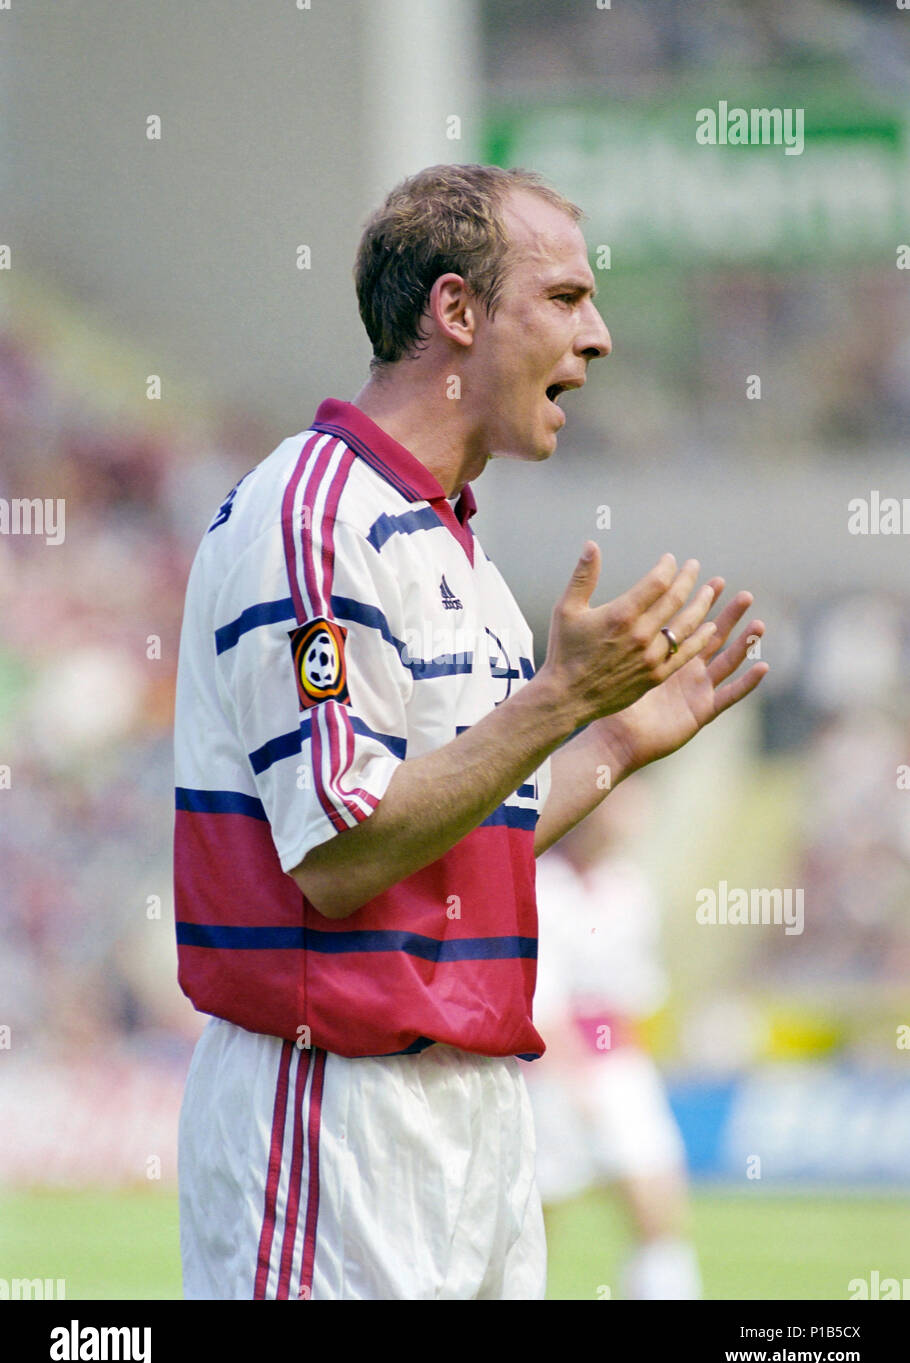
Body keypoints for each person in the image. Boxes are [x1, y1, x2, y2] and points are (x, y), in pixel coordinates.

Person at [173, 163, 768, 1300]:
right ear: (455, 312)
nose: (595, 340)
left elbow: (448, 850)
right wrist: (556, 701)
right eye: (563, 299)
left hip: (476, 1114)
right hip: (332, 1108)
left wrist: (610, 744)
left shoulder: (458, 555)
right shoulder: (317, 517)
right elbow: (344, 855)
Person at [526, 784, 702, 1300]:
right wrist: (573, 1079)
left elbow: (635, 997)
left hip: (617, 1063)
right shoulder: (545, 883)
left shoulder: (629, 888)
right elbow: (544, 1000)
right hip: (548, 1072)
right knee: (534, 1220)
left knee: (657, 1204)